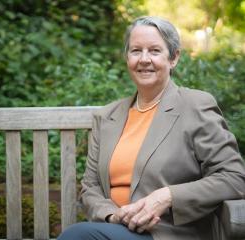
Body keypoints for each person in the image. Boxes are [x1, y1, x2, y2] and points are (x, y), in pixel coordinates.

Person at [57, 16, 245, 240]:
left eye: (154, 51)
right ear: (127, 57)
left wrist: (167, 197)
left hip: (168, 233)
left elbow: (234, 178)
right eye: (136, 50)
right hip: (112, 229)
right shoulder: (107, 116)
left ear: (173, 58)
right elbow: (90, 186)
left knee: (77, 236)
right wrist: (112, 215)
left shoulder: (195, 106)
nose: (144, 59)